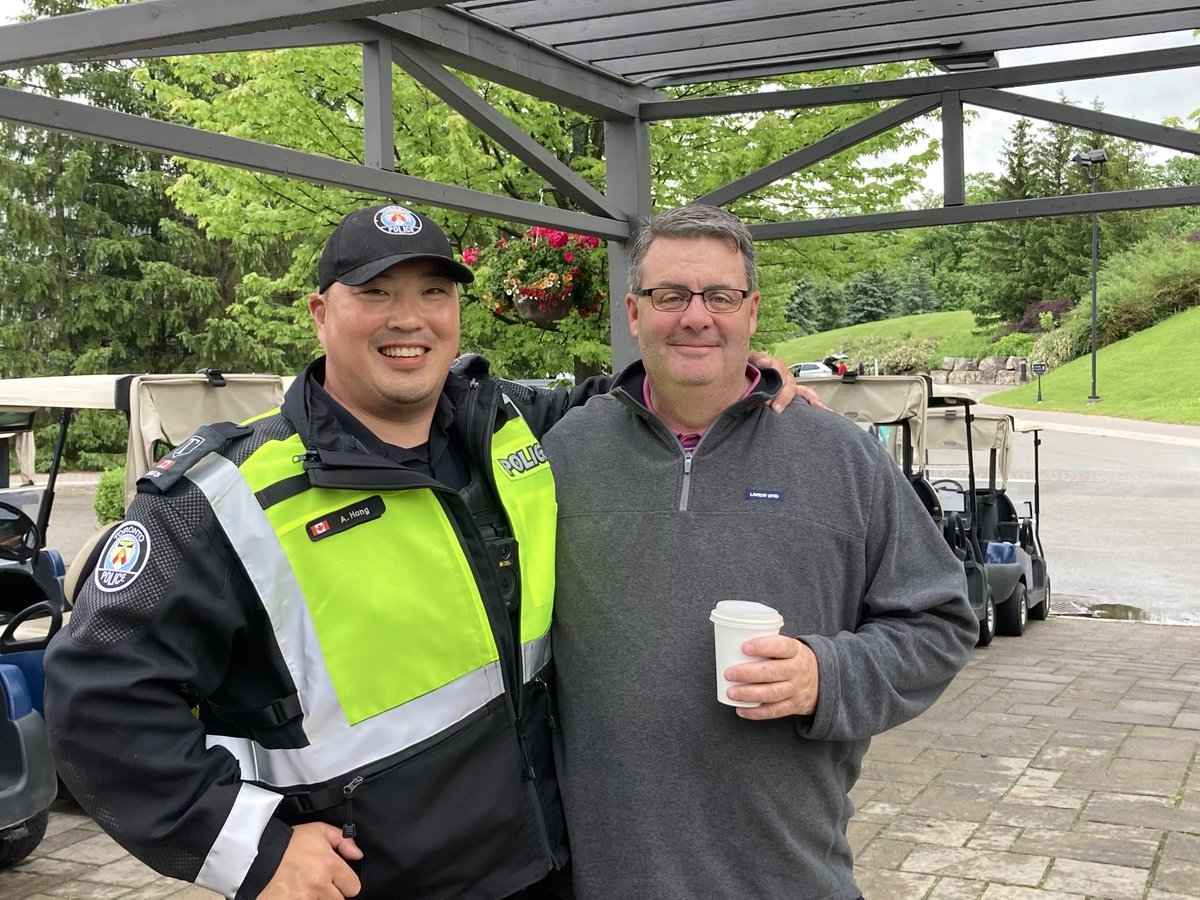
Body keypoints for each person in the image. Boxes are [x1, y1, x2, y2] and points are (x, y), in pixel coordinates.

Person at [44, 202, 815, 900]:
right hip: (373, 882)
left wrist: (745, 382)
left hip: (547, 866)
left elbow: (624, 402)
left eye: (433, 292)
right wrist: (250, 848)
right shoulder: (223, 499)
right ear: (320, 313)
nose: (407, 318)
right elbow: (97, 697)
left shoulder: (506, 426)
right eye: (374, 293)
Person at [541, 204, 977, 899]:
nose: (696, 317)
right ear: (634, 311)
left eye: (720, 296)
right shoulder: (564, 455)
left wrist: (825, 675)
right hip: (609, 877)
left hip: (788, 874)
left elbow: (941, 622)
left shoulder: (839, 456)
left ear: (751, 310)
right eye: (670, 295)